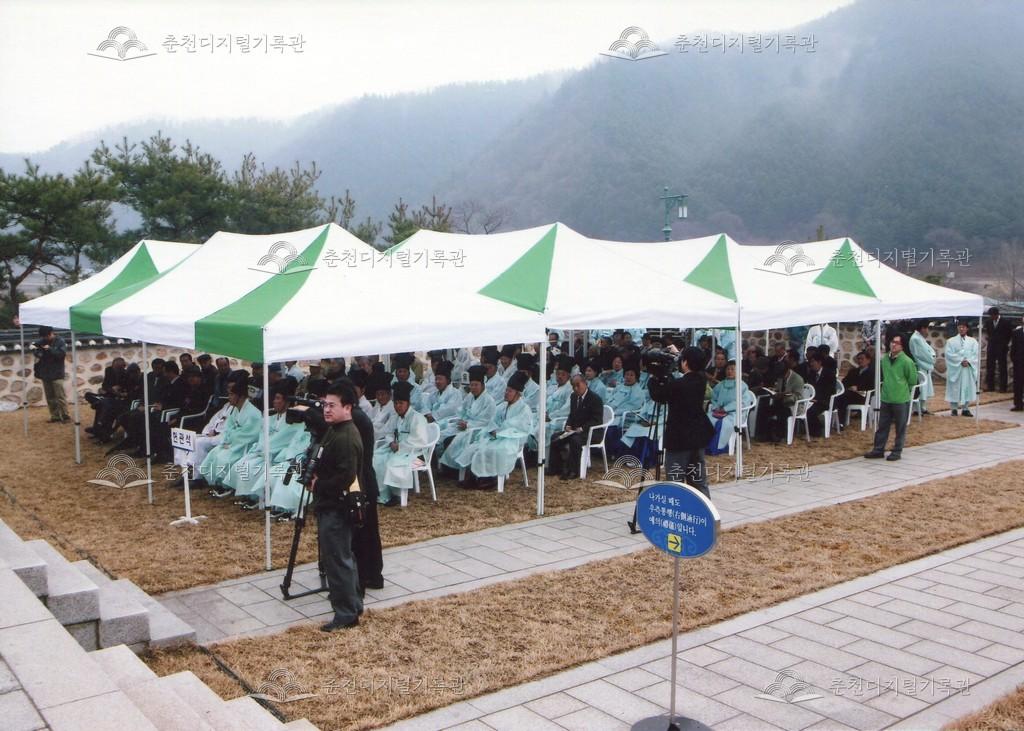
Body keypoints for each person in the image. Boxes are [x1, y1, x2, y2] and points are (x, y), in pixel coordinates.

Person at [310, 382, 364, 631]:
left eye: (332, 405)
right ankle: (353, 604)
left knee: (337, 559)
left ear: (348, 407)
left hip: (337, 506)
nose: (326, 410)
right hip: (330, 503)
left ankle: (346, 613)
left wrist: (318, 485)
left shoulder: (346, 436)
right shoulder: (336, 430)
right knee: (344, 557)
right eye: (324, 405)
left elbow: (346, 477)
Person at [220, 386, 304, 505]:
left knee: (252, 468)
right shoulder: (270, 418)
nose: (274, 401)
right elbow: (262, 436)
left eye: (278, 398)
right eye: (274, 398)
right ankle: (248, 495)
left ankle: (256, 497)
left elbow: (285, 441)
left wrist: (268, 450)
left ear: (287, 401)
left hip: (277, 455)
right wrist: (260, 448)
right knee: (242, 465)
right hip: (262, 451)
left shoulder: (295, 423)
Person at [649, 347, 715, 498]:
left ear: (685, 362)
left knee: (675, 481)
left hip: (679, 438)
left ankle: (678, 509)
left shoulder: (678, 385)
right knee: (698, 480)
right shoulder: (701, 379)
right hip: (698, 436)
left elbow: (658, 395)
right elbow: (692, 368)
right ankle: (705, 509)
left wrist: (653, 377)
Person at [454, 371, 535, 488]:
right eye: (506, 390)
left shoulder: (524, 409)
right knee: (477, 446)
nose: (506, 393)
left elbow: (520, 427)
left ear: (518, 394)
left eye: (510, 391)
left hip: (512, 439)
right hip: (497, 436)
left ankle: (489, 479)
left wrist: (500, 432)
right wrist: (493, 430)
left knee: (494, 450)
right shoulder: (502, 406)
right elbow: (493, 421)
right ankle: (475, 478)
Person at [372, 380, 431, 507]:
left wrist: (400, 446)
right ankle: (383, 494)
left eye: (401, 403)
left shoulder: (417, 418)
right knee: (376, 458)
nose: (398, 406)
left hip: (414, 452)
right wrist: (391, 442)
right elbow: (388, 433)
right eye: (395, 403)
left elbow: (419, 440)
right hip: (396, 448)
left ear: (408, 403)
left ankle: (397, 494)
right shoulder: (395, 417)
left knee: (392, 461)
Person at [865, 333, 919, 461]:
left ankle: (897, 451)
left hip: (900, 399)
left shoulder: (907, 361)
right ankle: (878, 449)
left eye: (897, 343)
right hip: (886, 397)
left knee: (900, 427)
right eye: (892, 342)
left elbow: (912, 380)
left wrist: (902, 390)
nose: (894, 345)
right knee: (882, 425)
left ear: (902, 346)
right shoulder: (884, 359)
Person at [202, 380, 263, 490]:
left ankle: (226, 485)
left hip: (244, 446)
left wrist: (231, 442)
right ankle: (217, 482)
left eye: (231, 394)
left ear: (241, 397)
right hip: (232, 443)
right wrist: (226, 441)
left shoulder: (254, 413)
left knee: (223, 458)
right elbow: (227, 428)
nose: (229, 397)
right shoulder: (235, 409)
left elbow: (249, 434)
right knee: (214, 453)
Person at [440, 365, 497, 473]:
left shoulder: (489, 401)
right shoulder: (470, 396)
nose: (473, 388)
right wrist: (462, 420)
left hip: (478, 432)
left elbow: (486, 421)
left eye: (476, 385)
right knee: (444, 434)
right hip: (465, 426)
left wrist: (468, 425)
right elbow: (462, 410)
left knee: (453, 440)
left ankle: (455, 470)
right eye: (471, 385)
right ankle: (447, 468)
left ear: (483, 385)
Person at [547, 374, 604, 481]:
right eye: (573, 386)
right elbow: (571, 415)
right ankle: (555, 468)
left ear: (585, 383)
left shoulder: (595, 399)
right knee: (555, 437)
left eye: (578, 385)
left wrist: (582, 428)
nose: (576, 388)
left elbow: (597, 420)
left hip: (592, 432)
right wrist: (568, 425)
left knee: (575, 440)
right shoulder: (573, 396)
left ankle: (573, 471)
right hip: (575, 431)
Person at [704, 360, 756, 454]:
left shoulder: (742, 386)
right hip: (718, 411)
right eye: (728, 369)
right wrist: (716, 407)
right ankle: (704, 446)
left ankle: (718, 448)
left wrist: (726, 409)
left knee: (723, 423)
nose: (729, 371)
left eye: (732, 369)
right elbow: (713, 398)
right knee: (707, 419)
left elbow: (743, 402)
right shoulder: (720, 385)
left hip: (735, 413)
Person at [762, 350, 805, 443]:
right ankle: (765, 434)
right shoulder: (780, 377)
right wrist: (774, 391)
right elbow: (778, 389)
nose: (781, 377)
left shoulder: (797, 379)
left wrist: (786, 395)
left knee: (782, 412)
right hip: (781, 402)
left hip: (792, 405)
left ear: (787, 371)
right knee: (765, 410)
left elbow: (798, 396)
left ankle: (781, 435)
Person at [32, 326, 69, 423]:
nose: (45, 338)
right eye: (43, 336)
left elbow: (61, 354)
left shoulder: (60, 341)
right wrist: (39, 351)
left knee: (60, 396)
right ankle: (55, 416)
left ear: (51, 333)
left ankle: (65, 416)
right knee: (50, 397)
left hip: (57, 373)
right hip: (45, 372)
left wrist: (50, 349)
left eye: (46, 336)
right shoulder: (41, 341)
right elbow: (36, 352)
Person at [946, 321, 980, 416]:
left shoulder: (973, 341)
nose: (961, 329)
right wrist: (960, 360)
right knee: (954, 387)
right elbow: (949, 354)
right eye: (960, 327)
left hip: (967, 369)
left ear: (967, 329)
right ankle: (954, 408)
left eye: (964, 327)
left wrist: (968, 361)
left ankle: (965, 408)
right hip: (956, 368)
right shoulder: (951, 341)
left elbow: (976, 354)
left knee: (967, 387)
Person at [804, 353, 837, 438]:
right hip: (813, 399)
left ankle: (816, 431)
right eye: (810, 362)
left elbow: (830, 390)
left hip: (825, 400)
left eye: (813, 362)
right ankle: (808, 429)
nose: (811, 364)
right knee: (801, 409)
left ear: (819, 362)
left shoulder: (829, 374)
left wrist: (817, 399)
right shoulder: (811, 373)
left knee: (810, 411)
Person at [836, 350, 874, 425]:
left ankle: (840, 422)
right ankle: (838, 422)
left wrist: (858, 388)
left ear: (868, 360)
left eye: (862, 359)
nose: (860, 361)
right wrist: (850, 387)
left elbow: (872, 386)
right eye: (858, 359)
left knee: (843, 397)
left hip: (864, 396)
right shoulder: (853, 371)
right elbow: (844, 382)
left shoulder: (872, 372)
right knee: (839, 397)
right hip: (850, 394)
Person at [985, 306, 1014, 393]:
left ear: (997, 314)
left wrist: (1004, 343)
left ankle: (1003, 387)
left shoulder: (1005, 322)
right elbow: (989, 333)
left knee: (1002, 367)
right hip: (991, 347)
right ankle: (990, 386)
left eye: (993, 315)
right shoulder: (988, 322)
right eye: (990, 316)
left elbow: (1009, 334)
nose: (992, 317)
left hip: (1002, 347)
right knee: (990, 366)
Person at [908, 320, 935, 412]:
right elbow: (923, 354)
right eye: (927, 328)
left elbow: (929, 350)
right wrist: (932, 358)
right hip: (920, 365)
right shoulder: (915, 338)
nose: (927, 330)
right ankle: (917, 409)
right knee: (921, 388)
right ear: (923, 328)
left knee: (924, 388)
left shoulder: (919, 338)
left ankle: (922, 407)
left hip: (924, 365)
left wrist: (932, 355)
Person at [1011, 316, 1023, 411]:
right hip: (1019, 362)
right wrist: (1014, 360)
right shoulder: (1017, 333)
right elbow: (1013, 348)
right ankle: (1018, 404)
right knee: (1018, 384)